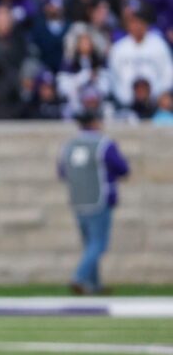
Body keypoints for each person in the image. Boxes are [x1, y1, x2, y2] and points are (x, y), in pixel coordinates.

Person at [58, 111, 130, 294]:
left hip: (78, 200)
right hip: (100, 198)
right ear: (95, 123)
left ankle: (94, 285)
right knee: (99, 244)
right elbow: (122, 168)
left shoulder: (69, 145)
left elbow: (62, 172)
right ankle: (79, 277)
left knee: (90, 243)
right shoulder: (103, 144)